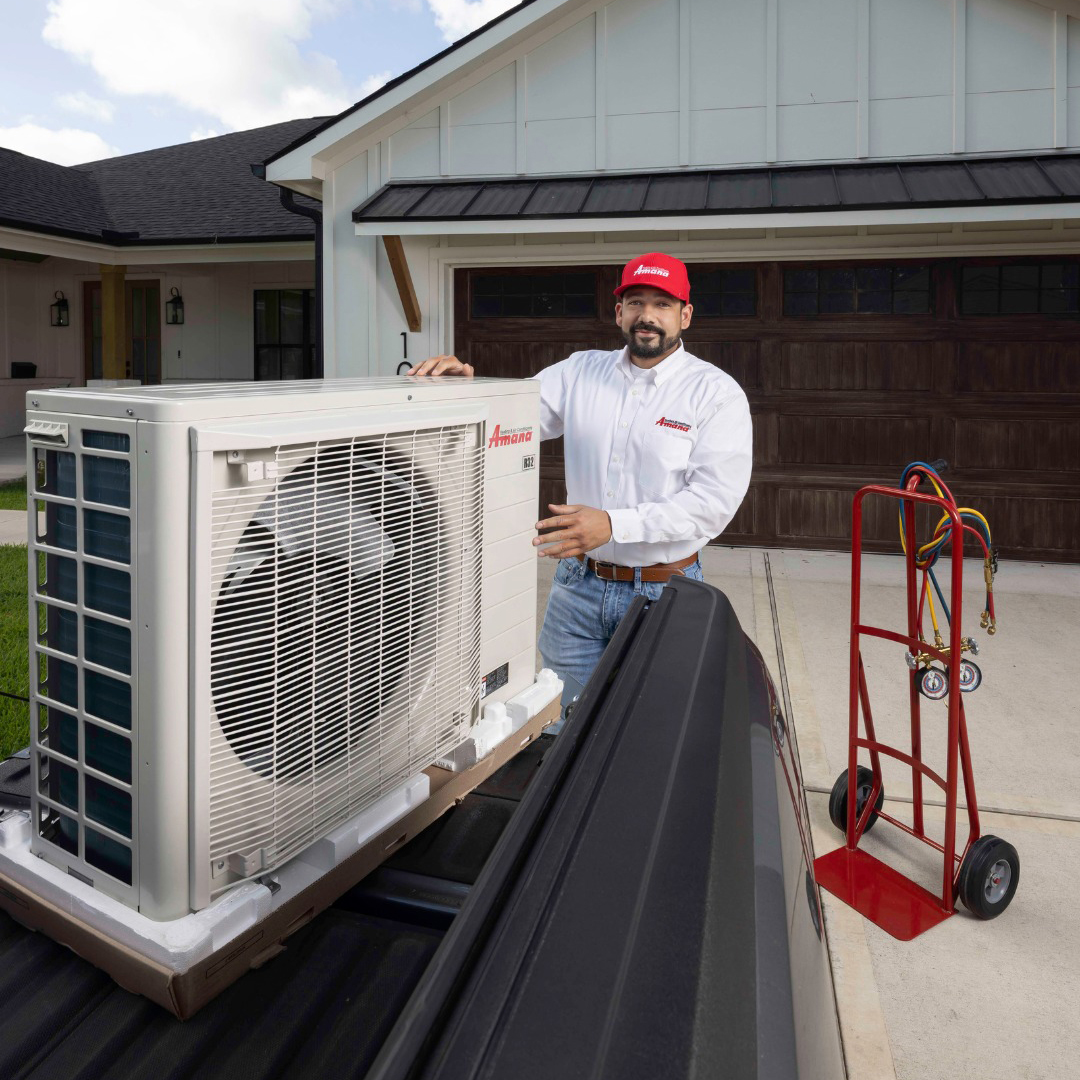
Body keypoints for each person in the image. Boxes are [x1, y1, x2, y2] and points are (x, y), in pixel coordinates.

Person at [408, 252, 753, 726]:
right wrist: (467, 390)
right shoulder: (579, 372)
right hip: (577, 592)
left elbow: (712, 504)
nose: (646, 316)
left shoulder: (715, 394)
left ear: (685, 315)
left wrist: (613, 523)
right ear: (618, 312)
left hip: (663, 593)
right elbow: (513, 419)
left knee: (653, 733)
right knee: (561, 731)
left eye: (662, 304)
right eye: (635, 302)